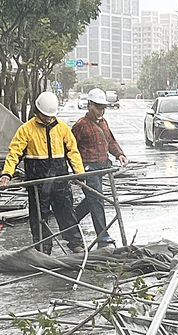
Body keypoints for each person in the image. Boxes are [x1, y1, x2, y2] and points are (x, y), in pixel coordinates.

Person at [0, 91, 85, 254]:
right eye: (45, 116)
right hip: (38, 182)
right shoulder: (26, 130)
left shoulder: (63, 129)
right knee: (39, 216)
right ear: (37, 112)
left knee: (66, 211)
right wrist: (7, 173)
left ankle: (75, 242)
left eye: (51, 116)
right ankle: (43, 248)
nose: (48, 119)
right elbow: (14, 153)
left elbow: (73, 152)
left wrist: (79, 174)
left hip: (60, 180)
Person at [72, 88, 128, 248]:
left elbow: (111, 141)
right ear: (89, 105)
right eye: (97, 107)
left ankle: (70, 221)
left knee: (93, 199)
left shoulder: (103, 123)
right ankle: (102, 235)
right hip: (87, 168)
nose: (101, 111)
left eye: (103, 107)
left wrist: (119, 154)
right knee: (97, 199)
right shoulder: (81, 125)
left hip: (102, 167)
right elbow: (70, 148)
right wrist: (76, 171)